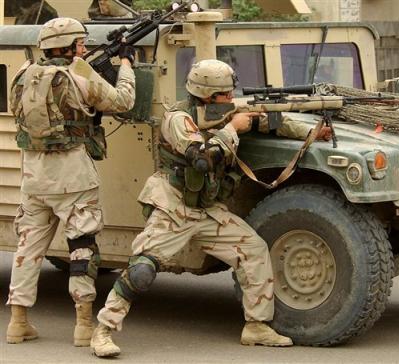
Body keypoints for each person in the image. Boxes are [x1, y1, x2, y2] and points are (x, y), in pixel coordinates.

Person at [90, 59, 331, 358]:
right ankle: (103, 331)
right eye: (225, 95)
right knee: (142, 269)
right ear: (206, 95)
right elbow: (202, 159)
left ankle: (256, 325)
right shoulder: (178, 118)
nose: (231, 99)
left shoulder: (225, 111)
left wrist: (311, 133)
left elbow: (274, 124)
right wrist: (232, 128)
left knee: (253, 250)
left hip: (206, 209)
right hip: (174, 207)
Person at [6, 17, 136, 347]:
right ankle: (82, 325)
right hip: (74, 177)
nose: (84, 49)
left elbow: (17, 113)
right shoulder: (79, 72)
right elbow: (122, 102)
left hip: (33, 178)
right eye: (79, 44)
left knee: (28, 249)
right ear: (65, 48)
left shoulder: (23, 73)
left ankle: (18, 322)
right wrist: (126, 64)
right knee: (82, 248)